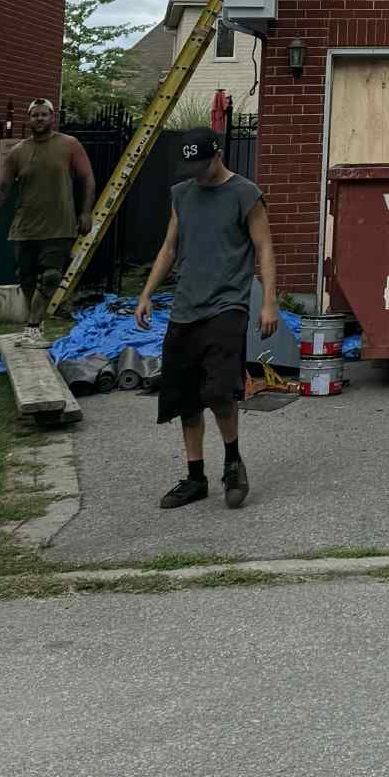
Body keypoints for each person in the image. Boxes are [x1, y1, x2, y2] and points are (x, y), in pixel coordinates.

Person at [136, 128, 277, 512]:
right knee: (185, 396)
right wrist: (147, 293)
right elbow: (169, 247)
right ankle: (195, 477)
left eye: (201, 164)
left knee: (218, 390)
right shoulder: (182, 195)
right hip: (186, 307)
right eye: (190, 166)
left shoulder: (245, 194)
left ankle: (233, 463)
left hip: (228, 304)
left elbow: (264, 246)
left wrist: (270, 303)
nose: (195, 172)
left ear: (217, 155)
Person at [0, 99, 95, 345]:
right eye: (35, 115)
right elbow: (1, 188)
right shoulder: (18, 152)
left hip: (59, 225)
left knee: (52, 276)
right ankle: (36, 323)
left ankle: (32, 327)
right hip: (25, 226)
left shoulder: (69, 145)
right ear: (29, 119)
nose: (40, 119)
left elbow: (88, 179)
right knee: (27, 278)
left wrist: (86, 212)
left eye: (44, 115)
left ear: (52, 118)